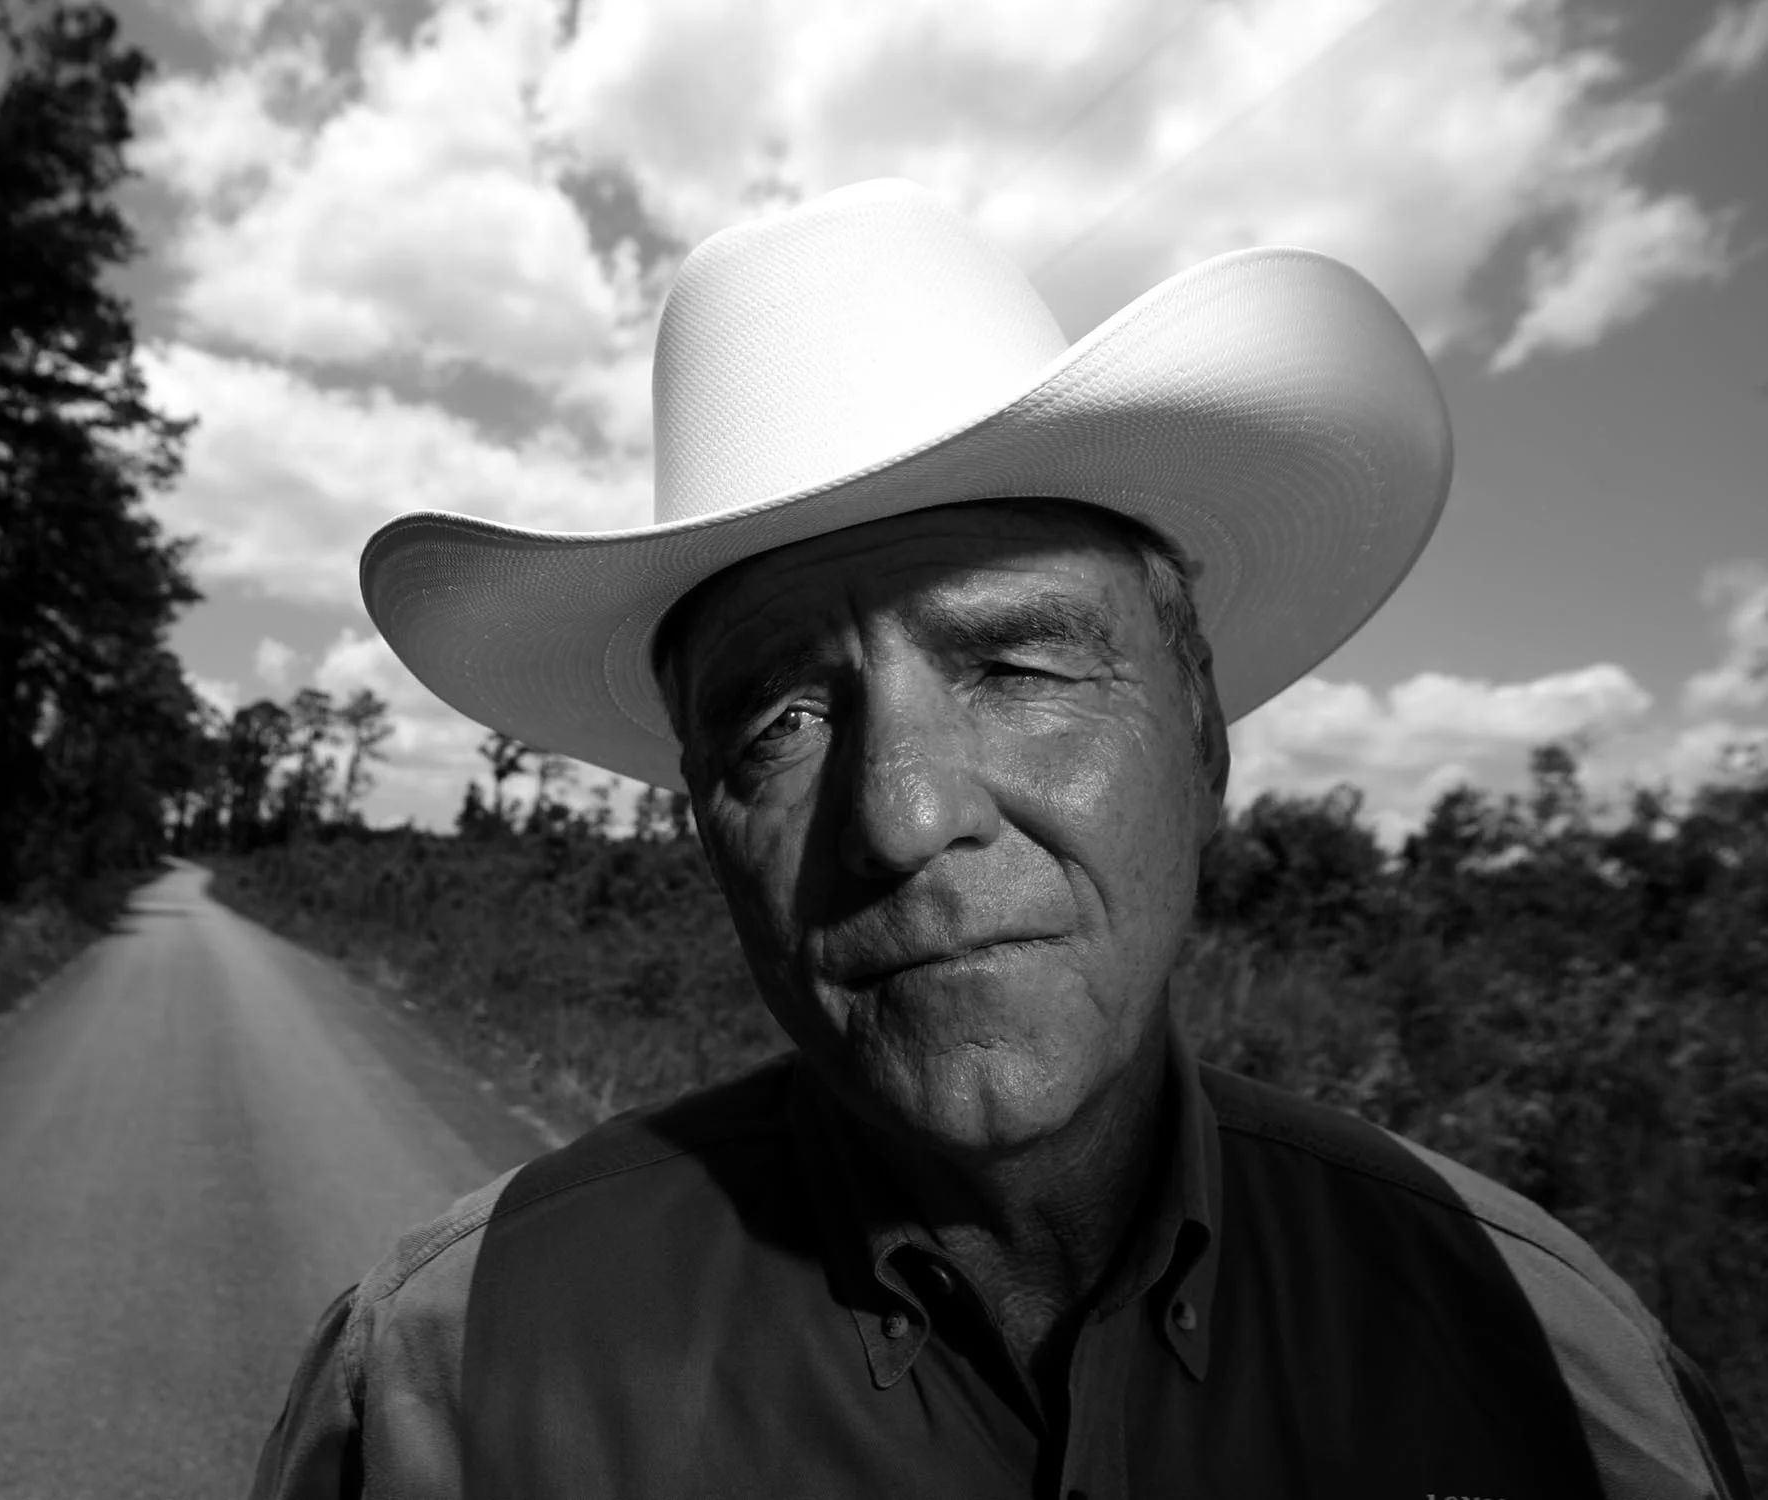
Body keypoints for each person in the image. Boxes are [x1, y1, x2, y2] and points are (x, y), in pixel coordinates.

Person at [248, 179, 1752, 1499]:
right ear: (702, 820)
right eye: (777, 723)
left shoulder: (1537, 1351)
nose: (903, 818)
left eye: (1017, 666)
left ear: (1202, 739)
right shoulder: (453, 1371)